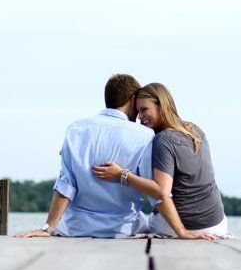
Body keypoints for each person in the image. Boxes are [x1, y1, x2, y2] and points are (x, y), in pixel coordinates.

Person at [15, 74, 154, 238]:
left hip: (76, 228)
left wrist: (47, 228)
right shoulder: (145, 135)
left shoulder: (76, 129)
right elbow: (156, 190)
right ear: (132, 100)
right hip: (123, 229)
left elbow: (66, 184)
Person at [92, 82, 230, 239]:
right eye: (137, 112)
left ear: (161, 105)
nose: (140, 117)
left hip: (179, 227)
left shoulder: (162, 140)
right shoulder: (196, 131)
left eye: (144, 110)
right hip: (217, 225)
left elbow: (161, 190)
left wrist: (122, 175)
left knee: (133, 221)